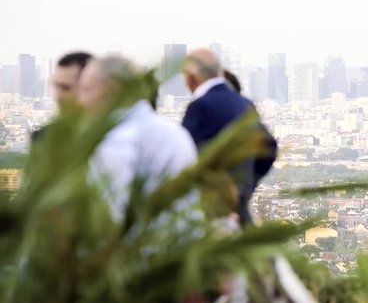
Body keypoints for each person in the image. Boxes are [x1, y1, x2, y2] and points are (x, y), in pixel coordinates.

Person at [77, 55, 198, 221]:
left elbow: (112, 215)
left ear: (113, 89)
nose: (80, 101)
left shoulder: (119, 139)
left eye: (87, 90)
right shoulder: (173, 131)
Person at [181, 49, 277, 226]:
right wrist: (246, 185)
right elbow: (269, 148)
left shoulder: (200, 107)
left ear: (190, 78)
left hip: (211, 212)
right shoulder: (245, 103)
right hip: (240, 208)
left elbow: (184, 160)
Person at [32, 52, 93, 141]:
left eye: (66, 88)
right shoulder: (44, 137)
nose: (58, 96)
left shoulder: (112, 138)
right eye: (56, 86)